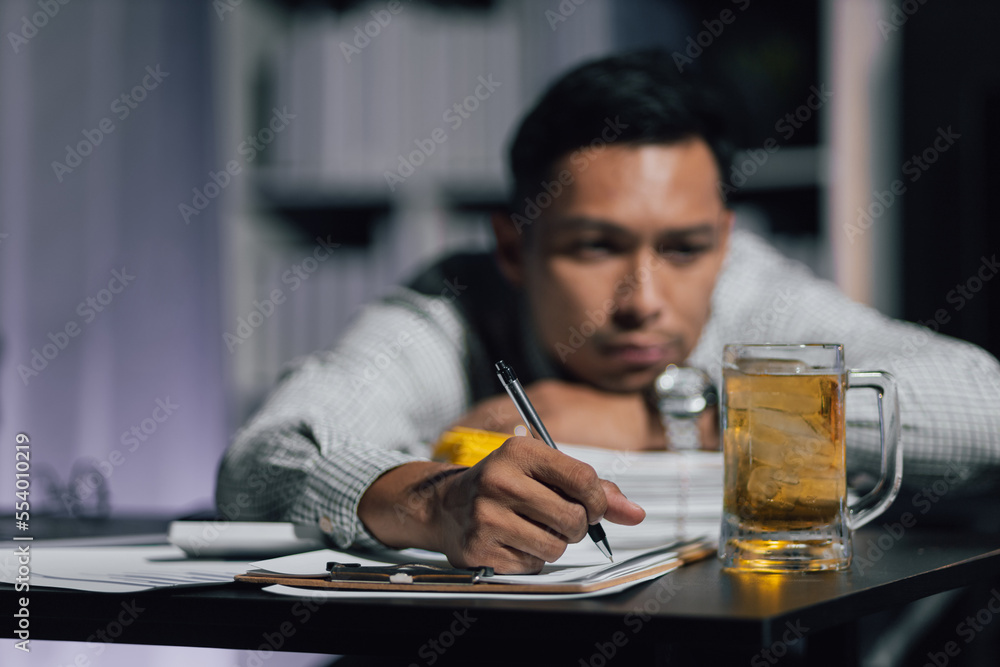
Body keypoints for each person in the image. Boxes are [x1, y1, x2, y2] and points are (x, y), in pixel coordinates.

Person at [216, 51, 1000, 574]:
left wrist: (663, 417)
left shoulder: (751, 290)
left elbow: (985, 404)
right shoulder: (450, 305)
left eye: (687, 249)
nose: (646, 301)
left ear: (724, 241)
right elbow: (267, 458)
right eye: (596, 247)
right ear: (514, 248)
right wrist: (439, 501)